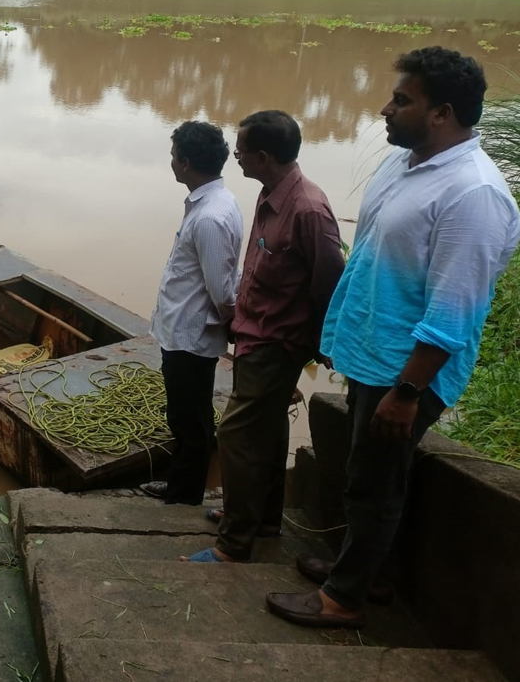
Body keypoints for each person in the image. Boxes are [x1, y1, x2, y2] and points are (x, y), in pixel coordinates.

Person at [267, 48, 520, 629]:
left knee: (375, 486)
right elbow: (369, 264)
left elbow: (454, 308)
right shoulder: (404, 164)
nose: (385, 109)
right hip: (373, 353)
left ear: (442, 113)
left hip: (406, 371)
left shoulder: (472, 194)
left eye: (402, 100)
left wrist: (408, 391)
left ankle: (345, 597)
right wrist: (336, 333)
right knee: (365, 474)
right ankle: (366, 572)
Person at [184, 110, 346, 563]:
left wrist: (314, 343)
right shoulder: (270, 193)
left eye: (241, 151)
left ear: (263, 155)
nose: (234, 157)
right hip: (254, 335)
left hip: (278, 342)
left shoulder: (308, 209)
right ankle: (262, 517)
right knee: (269, 433)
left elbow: (330, 284)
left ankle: (234, 545)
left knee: (236, 435)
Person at [142, 122, 242, 506]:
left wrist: (229, 327)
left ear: (184, 163)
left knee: (190, 420)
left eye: (172, 157)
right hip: (183, 330)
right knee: (186, 415)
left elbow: (222, 291)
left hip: (191, 336)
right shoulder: (218, 202)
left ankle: (184, 497)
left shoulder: (209, 217)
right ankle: (181, 484)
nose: (170, 163)